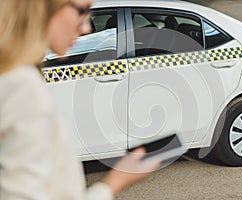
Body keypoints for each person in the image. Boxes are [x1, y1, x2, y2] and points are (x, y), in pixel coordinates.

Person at [0, 0, 160, 199]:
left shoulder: (10, 75)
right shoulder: (23, 85)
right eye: (82, 11)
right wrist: (115, 182)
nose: (86, 28)